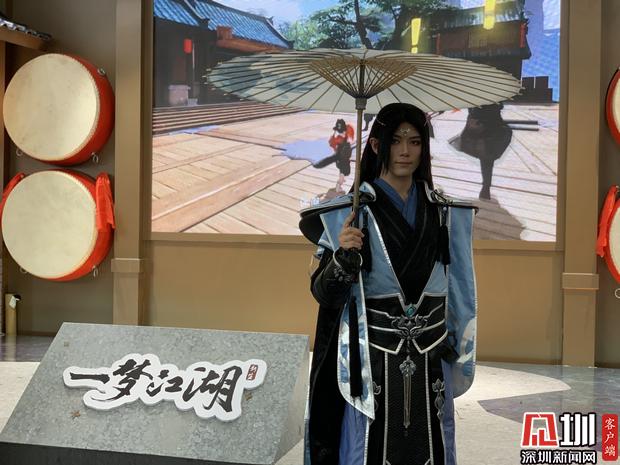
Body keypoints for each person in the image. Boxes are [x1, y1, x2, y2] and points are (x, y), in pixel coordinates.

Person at [299, 103, 478, 465]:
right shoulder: (347, 213)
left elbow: (458, 287)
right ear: (377, 145)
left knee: (432, 442)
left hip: (430, 357)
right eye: (395, 141)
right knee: (367, 447)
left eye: (415, 141)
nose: (405, 151)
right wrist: (343, 256)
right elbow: (323, 294)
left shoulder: (442, 211)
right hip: (371, 360)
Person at [449, 103, 512, 200]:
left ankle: (486, 187)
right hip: (491, 125)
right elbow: (499, 106)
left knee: (486, 158)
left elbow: (472, 108)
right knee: (487, 158)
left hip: (480, 125)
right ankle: (486, 187)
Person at [314, 119, 355, 194]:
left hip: (340, 155)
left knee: (342, 169)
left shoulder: (336, 136)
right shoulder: (347, 131)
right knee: (344, 171)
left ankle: (341, 179)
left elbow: (332, 144)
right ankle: (338, 186)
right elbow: (350, 140)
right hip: (344, 156)